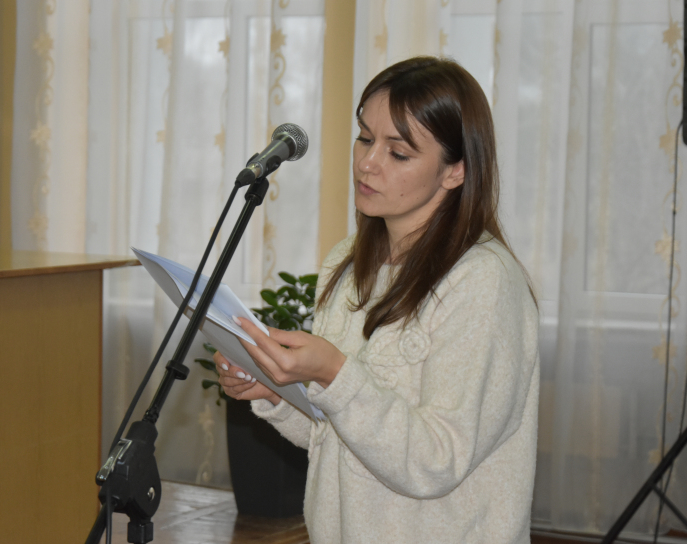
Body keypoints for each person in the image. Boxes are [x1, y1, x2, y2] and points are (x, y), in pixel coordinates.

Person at [214, 56, 540, 544]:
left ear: (455, 171)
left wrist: (334, 373)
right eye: (365, 138)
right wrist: (276, 393)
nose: (368, 162)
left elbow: (436, 461)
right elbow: (339, 438)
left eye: (399, 153)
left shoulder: (483, 282)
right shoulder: (347, 263)